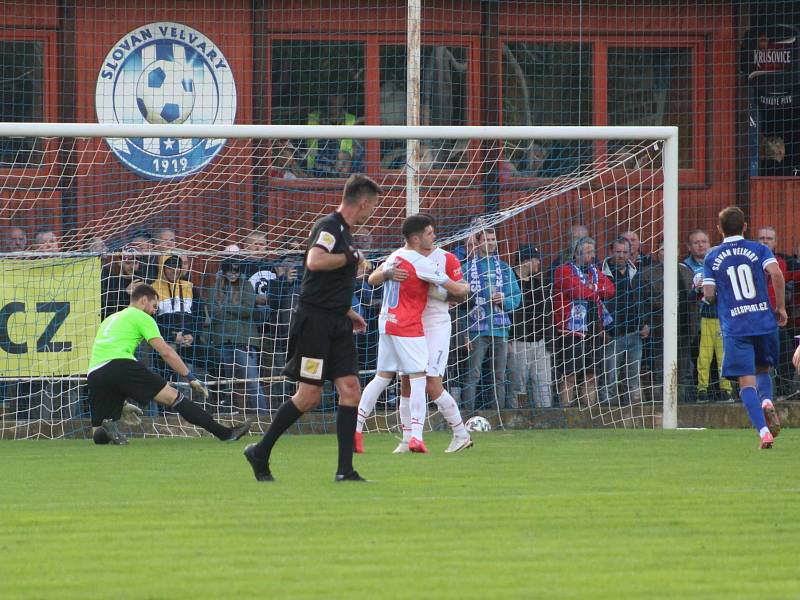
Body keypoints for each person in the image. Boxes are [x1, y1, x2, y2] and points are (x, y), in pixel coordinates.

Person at [243, 174, 382, 483]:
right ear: (362, 203)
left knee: (350, 389)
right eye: (372, 206)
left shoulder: (345, 232)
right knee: (308, 396)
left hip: (337, 321)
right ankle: (260, 451)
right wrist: (352, 257)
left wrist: (348, 311)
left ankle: (345, 471)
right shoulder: (330, 227)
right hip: (315, 324)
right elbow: (315, 261)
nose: (371, 212)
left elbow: (324, 284)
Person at [355, 215, 471, 454]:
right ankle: (408, 438)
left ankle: (460, 433)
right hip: (410, 325)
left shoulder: (445, 258)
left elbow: (462, 292)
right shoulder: (403, 257)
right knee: (406, 381)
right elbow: (373, 277)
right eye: (430, 232)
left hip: (434, 324)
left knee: (431, 383)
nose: (434, 236)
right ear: (417, 238)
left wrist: (441, 294)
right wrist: (386, 273)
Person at [87, 284, 252, 445]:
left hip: (94, 372)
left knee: (97, 429)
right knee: (175, 397)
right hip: (120, 364)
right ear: (144, 300)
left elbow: (108, 367)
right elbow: (166, 352)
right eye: (154, 306)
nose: (153, 311)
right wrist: (189, 376)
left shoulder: (109, 319)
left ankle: (106, 432)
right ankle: (226, 433)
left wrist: (121, 404)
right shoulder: (141, 316)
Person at [702, 206, 786, 449]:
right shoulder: (759, 249)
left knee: (746, 384)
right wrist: (780, 308)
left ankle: (763, 433)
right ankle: (768, 400)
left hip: (736, 326)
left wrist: (713, 292)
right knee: (763, 370)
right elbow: (777, 274)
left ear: (719, 229)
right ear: (745, 227)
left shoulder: (712, 256)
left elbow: (709, 295)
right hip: (763, 321)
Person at [461, 228, 522, 411]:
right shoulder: (466, 268)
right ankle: (467, 415)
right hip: (476, 329)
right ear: (478, 243)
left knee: (499, 375)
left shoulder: (504, 268)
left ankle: (498, 415)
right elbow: (459, 303)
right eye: (486, 239)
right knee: (473, 374)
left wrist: (505, 300)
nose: (490, 242)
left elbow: (516, 297)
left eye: (493, 239)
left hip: (500, 328)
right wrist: (464, 332)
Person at [552, 237, 614, 408]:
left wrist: (592, 289)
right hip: (570, 331)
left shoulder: (595, 272)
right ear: (576, 254)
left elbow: (610, 289)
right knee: (569, 375)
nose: (591, 256)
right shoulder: (563, 271)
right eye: (587, 252)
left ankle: (590, 416)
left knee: (591, 375)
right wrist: (595, 289)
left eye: (592, 251)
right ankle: (566, 414)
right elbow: (577, 292)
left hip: (593, 329)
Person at [207, 259, 269, 413]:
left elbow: (248, 310)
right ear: (224, 271)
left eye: (236, 271)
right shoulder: (215, 288)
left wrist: (227, 306)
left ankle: (263, 416)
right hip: (222, 341)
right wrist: (236, 310)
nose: (233, 274)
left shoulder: (246, 286)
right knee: (229, 383)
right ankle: (232, 415)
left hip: (244, 340)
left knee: (252, 381)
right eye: (230, 271)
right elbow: (215, 313)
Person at [684, 229, 734, 403]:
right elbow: (691, 297)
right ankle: (702, 391)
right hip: (705, 319)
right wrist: (697, 288)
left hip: (723, 320)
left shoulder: (726, 275)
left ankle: (726, 390)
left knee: (723, 356)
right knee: (704, 357)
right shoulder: (700, 275)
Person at [600, 238, 650, 406]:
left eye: (624, 252)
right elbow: (597, 304)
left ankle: (635, 413)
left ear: (630, 253)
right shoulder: (601, 274)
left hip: (635, 333)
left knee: (633, 378)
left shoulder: (636, 273)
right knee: (610, 377)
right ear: (610, 252)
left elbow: (644, 300)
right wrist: (601, 328)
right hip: (612, 335)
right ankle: (608, 412)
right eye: (618, 252)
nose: (621, 256)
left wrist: (645, 323)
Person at [508, 245, 554, 408]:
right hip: (519, 343)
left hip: (540, 343)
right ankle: (517, 418)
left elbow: (547, 314)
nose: (539, 263)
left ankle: (545, 418)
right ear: (526, 261)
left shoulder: (538, 284)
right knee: (518, 387)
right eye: (536, 259)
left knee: (543, 385)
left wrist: (549, 341)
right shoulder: (511, 281)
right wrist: (509, 339)